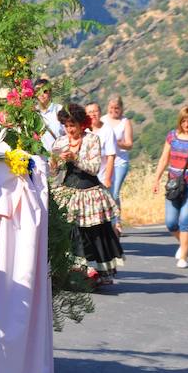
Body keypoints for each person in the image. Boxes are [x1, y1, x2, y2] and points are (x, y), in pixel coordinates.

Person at [49, 103, 123, 286]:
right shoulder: (59, 142)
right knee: (71, 232)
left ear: (81, 124)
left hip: (89, 191)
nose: (69, 129)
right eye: (66, 126)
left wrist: (75, 159)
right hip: (67, 192)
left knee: (93, 233)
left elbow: (94, 167)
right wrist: (56, 163)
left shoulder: (92, 140)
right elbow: (54, 172)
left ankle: (94, 272)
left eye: (72, 125)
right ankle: (73, 273)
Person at [152, 105, 188, 269]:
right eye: (184, 121)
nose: (187, 124)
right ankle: (184, 242)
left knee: (184, 220)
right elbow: (164, 159)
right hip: (174, 184)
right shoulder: (172, 137)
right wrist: (156, 179)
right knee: (171, 223)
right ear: (180, 121)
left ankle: (183, 256)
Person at [102, 95, 134, 227]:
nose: (114, 110)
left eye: (117, 108)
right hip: (105, 160)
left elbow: (129, 144)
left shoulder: (125, 122)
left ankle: (116, 222)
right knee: (105, 192)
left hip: (120, 161)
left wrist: (117, 143)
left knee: (114, 192)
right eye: (111, 107)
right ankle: (107, 220)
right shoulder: (102, 120)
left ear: (121, 109)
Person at [84, 102, 117, 189]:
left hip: (103, 178)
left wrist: (107, 179)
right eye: (90, 112)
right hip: (86, 180)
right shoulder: (83, 131)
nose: (93, 114)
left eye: (95, 111)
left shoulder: (107, 130)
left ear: (100, 113)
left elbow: (111, 157)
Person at [35, 77, 63, 152]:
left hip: (61, 156)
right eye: (38, 91)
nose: (41, 94)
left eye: (44, 91)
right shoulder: (34, 113)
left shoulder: (59, 110)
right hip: (42, 159)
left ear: (50, 92)